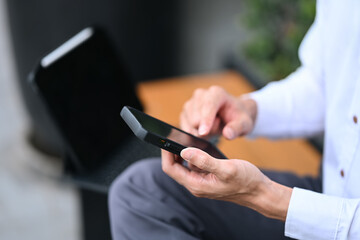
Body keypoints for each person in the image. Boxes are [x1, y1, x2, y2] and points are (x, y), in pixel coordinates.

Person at [109, 0, 360, 239]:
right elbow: (323, 80)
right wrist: (248, 110)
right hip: (329, 192)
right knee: (140, 192)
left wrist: (264, 197)